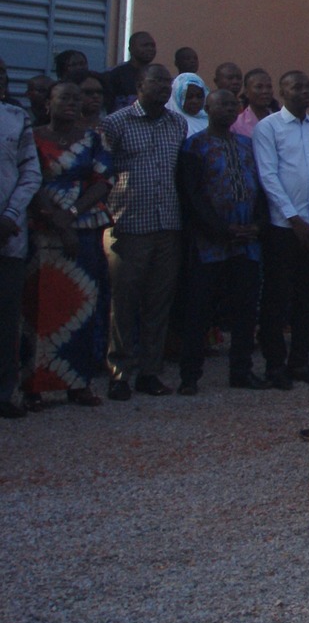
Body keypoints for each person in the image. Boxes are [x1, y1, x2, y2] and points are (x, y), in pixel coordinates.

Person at [23, 80, 115, 407]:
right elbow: (29, 179)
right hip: (42, 226)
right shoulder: (32, 137)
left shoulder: (94, 138)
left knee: (83, 305)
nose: (72, 103)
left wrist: (72, 214)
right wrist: (54, 217)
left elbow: (104, 180)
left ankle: (78, 383)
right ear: (48, 103)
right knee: (38, 306)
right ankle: (32, 386)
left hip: (85, 227)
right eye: (64, 98)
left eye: (77, 99)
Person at [99, 63, 187, 400]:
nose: (164, 87)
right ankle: (119, 373)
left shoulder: (177, 124)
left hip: (168, 225)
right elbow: (102, 173)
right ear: (139, 85)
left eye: (168, 82)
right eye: (157, 81)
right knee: (123, 303)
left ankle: (150, 372)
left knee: (158, 303)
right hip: (128, 225)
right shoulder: (116, 123)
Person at [173, 89, 265, 394]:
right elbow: (192, 196)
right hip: (209, 242)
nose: (227, 109)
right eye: (220, 105)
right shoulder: (194, 147)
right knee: (199, 310)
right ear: (208, 109)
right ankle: (190, 376)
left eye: (232, 105)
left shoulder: (247, 145)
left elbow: (261, 187)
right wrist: (220, 229)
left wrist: (256, 225)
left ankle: (241, 371)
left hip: (247, 241)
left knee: (245, 310)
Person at [253, 71, 309, 390]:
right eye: (296, 86)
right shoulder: (269, 128)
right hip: (283, 227)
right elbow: (269, 176)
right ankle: (275, 364)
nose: (304, 91)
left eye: (307, 85)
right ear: (282, 91)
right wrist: (293, 219)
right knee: (277, 297)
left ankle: (300, 362)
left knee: (308, 297)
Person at [0, 69, 37, 417]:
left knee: (7, 318)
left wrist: (10, 215)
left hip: (8, 235)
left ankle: (4, 392)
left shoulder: (15, 118)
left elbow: (30, 173)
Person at [103, 32, 156, 109]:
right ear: (131, 49)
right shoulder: (114, 74)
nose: (150, 49)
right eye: (145, 45)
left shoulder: (157, 75)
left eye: (153, 46)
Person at [232, 68, 279, 138]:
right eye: (259, 87)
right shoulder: (236, 124)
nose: (265, 91)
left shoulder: (280, 121)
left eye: (269, 87)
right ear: (246, 92)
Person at [168, 71, 208, 137]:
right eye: (189, 97)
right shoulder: (171, 124)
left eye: (199, 96)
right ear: (178, 98)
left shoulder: (209, 120)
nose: (195, 101)